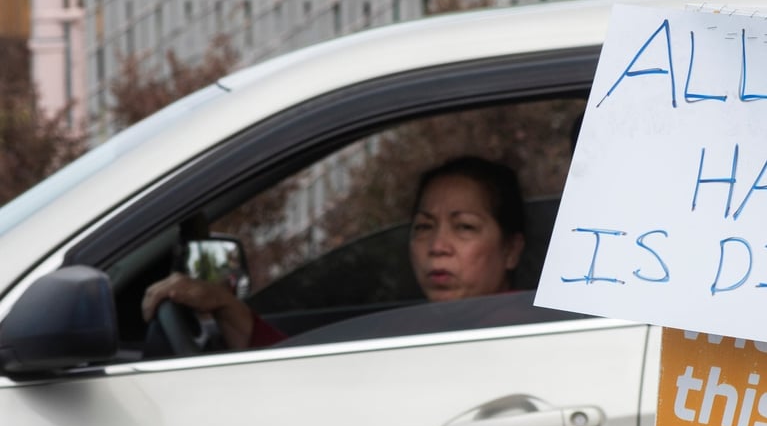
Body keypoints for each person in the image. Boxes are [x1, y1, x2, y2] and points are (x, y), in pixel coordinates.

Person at [142, 155, 526, 350]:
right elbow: (308, 371)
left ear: (511, 250)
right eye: (423, 227)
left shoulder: (521, 333)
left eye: (465, 228)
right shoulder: (412, 326)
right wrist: (225, 305)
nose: (438, 247)